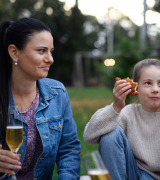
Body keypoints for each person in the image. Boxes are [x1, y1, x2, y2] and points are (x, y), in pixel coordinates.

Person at [0, 18, 81, 179]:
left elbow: (69, 149)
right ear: (14, 52)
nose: (50, 59)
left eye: (51, 51)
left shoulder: (57, 93)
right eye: (41, 51)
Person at [83, 59, 160, 180]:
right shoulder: (128, 112)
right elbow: (88, 136)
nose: (155, 89)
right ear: (135, 86)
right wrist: (116, 106)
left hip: (159, 178)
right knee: (110, 134)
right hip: (131, 173)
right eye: (148, 83)